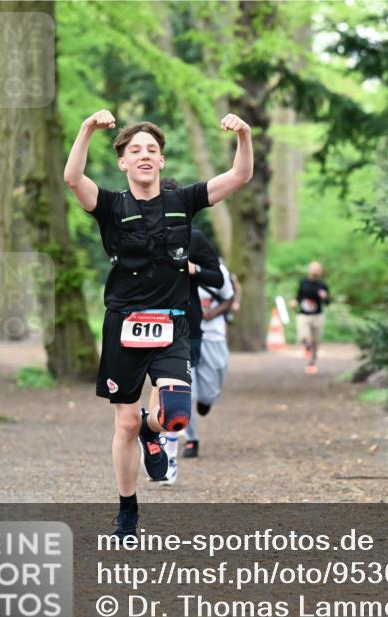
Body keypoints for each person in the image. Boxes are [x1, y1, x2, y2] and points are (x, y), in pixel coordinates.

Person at [63, 109, 252, 538]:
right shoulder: (111, 205)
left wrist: (244, 135)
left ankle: (155, 431)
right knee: (124, 423)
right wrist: (86, 129)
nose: (145, 155)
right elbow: (73, 178)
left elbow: (239, 176)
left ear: (162, 161)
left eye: (152, 149)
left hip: (171, 326)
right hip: (124, 325)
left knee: (175, 417)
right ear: (123, 162)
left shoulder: (182, 201)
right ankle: (127, 511)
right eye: (135, 150)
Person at [152, 178, 225, 482]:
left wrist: (193, 269)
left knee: (194, 389)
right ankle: (170, 452)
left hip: (187, 323)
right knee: (165, 390)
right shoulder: (137, 234)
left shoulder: (194, 238)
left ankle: (192, 415)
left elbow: (218, 279)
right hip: (148, 323)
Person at [182, 261, 238, 461]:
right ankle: (191, 438)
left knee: (209, 392)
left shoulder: (217, 270)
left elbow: (229, 298)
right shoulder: (176, 266)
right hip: (186, 337)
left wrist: (211, 313)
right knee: (187, 392)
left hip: (214, 336)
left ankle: (206, 400)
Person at [290, 261, 329, 374]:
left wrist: (324, 297)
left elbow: (327, 302)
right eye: (313, 269)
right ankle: (306, 344)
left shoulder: (323, 285)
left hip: (317, 315)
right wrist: (294, 302)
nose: (315, 271)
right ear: (309, 270)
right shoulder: (303, 282)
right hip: (303, 314)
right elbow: (299, 296)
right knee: (304, 335)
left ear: (320, 271)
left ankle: (312, 362)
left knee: (316, 341)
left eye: (317, 269)